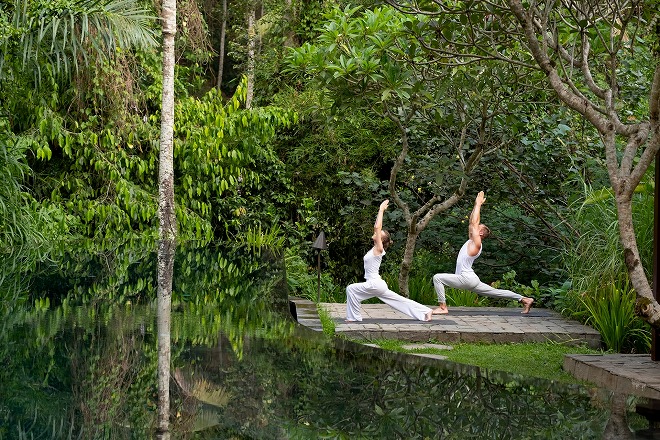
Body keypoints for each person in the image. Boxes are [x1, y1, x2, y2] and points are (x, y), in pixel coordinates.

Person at [432, 191, 534, 315]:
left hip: (466, 278)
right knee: (496, 292)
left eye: (479, 227)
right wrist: (476, 205)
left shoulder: (477, 244)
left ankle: (443, 307)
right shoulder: (471, 241)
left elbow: (474, 223)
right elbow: (472, 222)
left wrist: (479, 204)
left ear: (480, 233)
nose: (475, 227)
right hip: (470, 279)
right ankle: (525, 299)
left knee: (437, 278)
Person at [346, 200, 433, 322]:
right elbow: (376, 227)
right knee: (398, 300)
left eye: (378, 234)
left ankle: (354, 317)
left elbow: (377, 226)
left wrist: (381, 210)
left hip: (374, 284)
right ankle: (426, 311)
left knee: (351, 289)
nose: (375, 232)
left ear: (381, 240)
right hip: (377, 284)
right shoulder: (374, 249)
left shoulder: (379, 249)